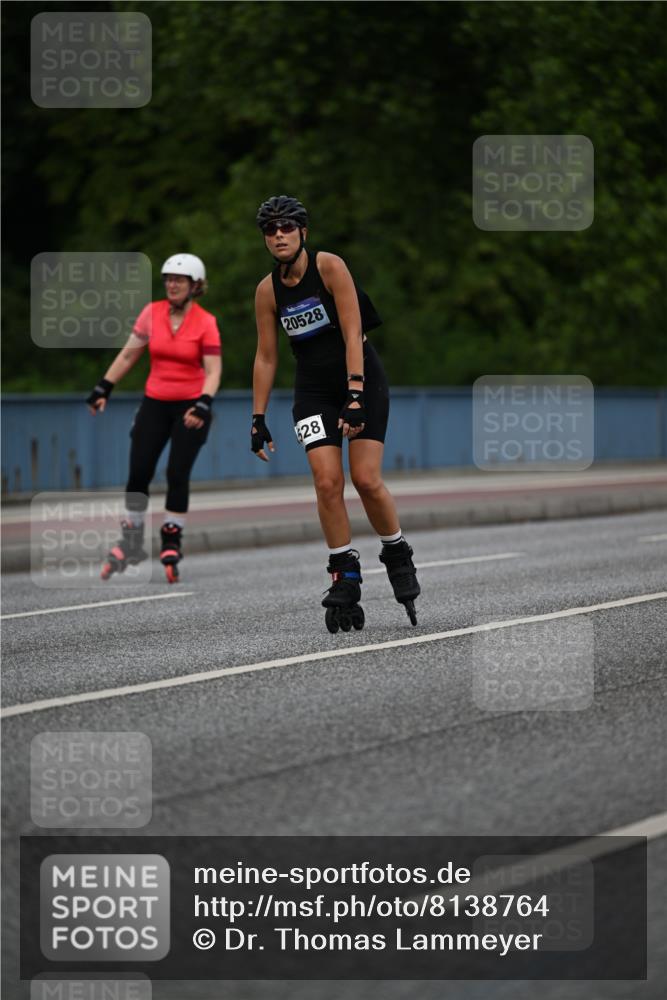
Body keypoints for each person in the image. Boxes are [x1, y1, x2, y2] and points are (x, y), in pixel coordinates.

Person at [251, 195, 420, 631]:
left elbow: (352, 332)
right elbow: (267, 357)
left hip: (361, 378)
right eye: (270, 230)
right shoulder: (267, 291)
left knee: (364, 478)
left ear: (303, 232)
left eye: (287, 227)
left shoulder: (329, 266)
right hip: (311, 391)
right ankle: (344, 574)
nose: (279, 236)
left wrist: (356, 393)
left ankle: (397, 551)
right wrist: (257, 416)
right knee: (327, 481)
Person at [86, 253, 222, 582]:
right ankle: (131, 540)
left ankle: (171, 541)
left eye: (179, 280)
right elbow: (130, 353)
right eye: (168, 279)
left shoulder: (206, 321)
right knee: (139, 472)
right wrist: (104, 386)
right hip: (155, 403)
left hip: (191, 406)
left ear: (195, 285)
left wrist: (203, 403)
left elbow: (213, 370)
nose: (172, 284)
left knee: (177, 472)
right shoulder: (152, 313)